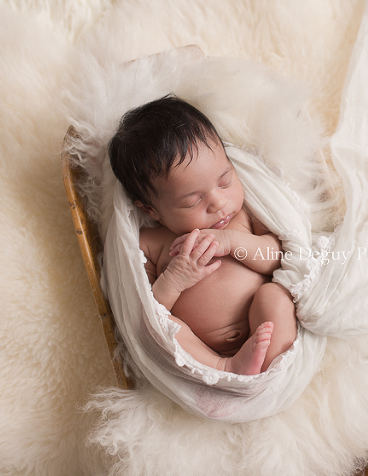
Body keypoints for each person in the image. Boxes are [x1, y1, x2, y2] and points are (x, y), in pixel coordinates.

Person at [108, 95, 298, 375]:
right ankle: (227, 367)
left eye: (225, 181)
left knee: (275, 296)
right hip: (203, 353)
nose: (218, 203)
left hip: (263, 325)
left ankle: (269, 366)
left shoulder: (242, 215)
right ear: (151, 209)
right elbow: (146, 312)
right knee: (170, 329)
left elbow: (277, 259)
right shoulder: (152, 243)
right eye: (192, 201)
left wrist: (232, 242)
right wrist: (173, 280)